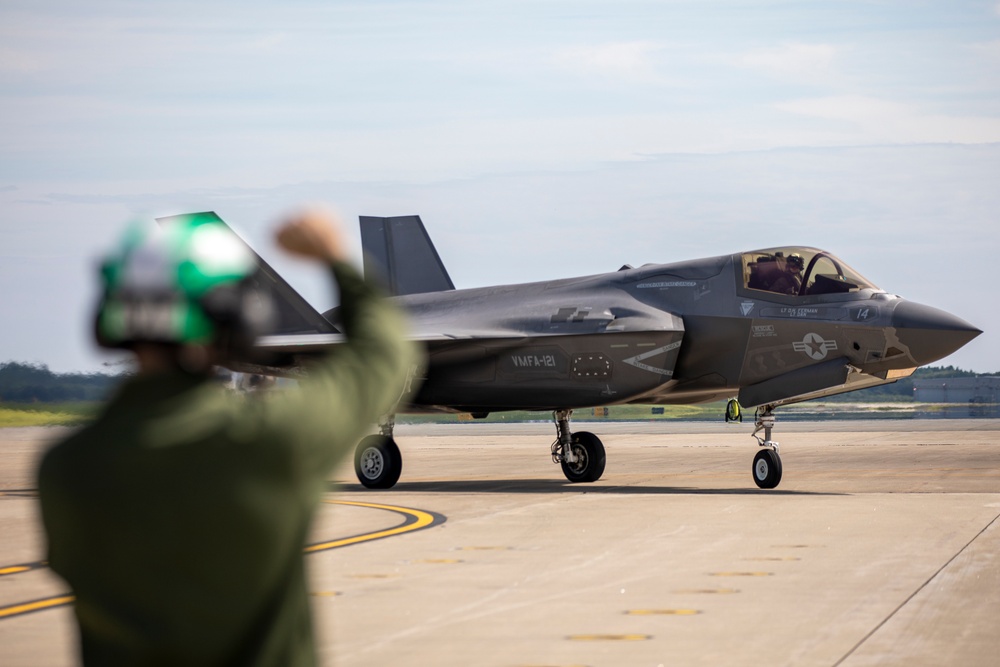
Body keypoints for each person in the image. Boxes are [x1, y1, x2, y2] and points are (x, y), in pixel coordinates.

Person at [37, 207, 418, 666]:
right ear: (237, 317)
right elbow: (384, 357)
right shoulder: (272, 441)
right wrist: (334, 258)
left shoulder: (65, 468)